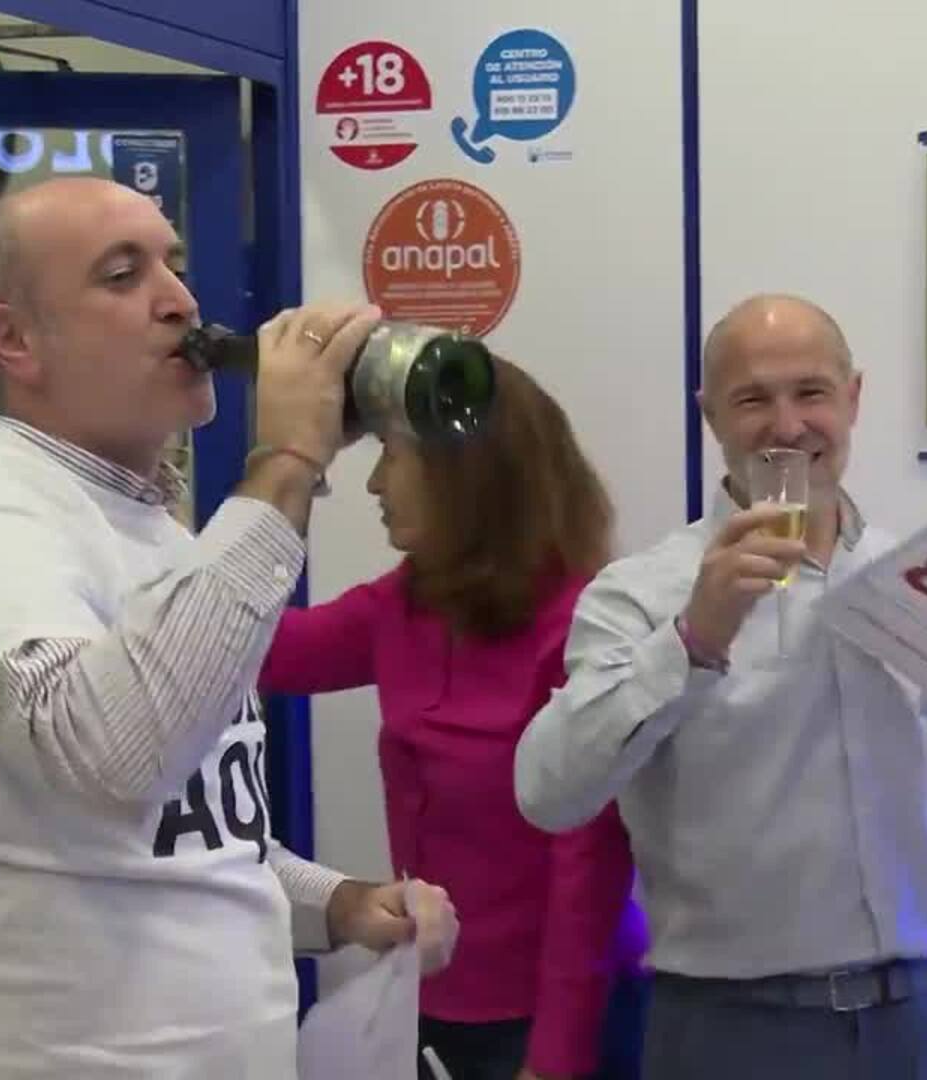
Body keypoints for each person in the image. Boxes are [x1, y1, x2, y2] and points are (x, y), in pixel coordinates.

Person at [0, 176, 458, 1079]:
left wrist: (335, 904)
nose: (179, 300)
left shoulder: (155, 532)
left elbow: (185, 837)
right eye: (121, 275)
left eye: (173, 265)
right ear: (16, 341)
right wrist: (288, 460)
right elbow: (112, 754)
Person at [513, 293, 927, 1080]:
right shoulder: (641, 594)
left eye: (810, 392)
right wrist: (693, 639)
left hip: (903, 1017)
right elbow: (549, 791)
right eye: (753, 399)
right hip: (728, 1029)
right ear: (710, 415)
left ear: (853, 399)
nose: (787, 425)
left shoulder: (924, 579)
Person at [262, 356, 648, 1080]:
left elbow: (587, 873)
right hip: (431, 998)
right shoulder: (405, 604)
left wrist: (553, 1062)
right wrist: (286, 466)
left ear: (464, 473)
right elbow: (252, 651)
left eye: (392, 456)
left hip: (561, 1018)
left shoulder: (581, 624)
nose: (375, 485)